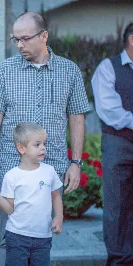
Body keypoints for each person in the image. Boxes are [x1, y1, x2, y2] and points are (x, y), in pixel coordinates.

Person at [0, 12, 90, 266]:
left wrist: (75, 162)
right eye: (16, 40)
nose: (20, 45)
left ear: (44, 36)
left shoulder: (68, 71)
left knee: (40, 238)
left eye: (25, 39)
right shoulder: (6, 69)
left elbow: (77, 118)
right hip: (12, 169)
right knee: (8, 238)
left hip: (51, 170)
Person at [0, 122, 63, 266]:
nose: (43, 148)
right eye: (37, 144)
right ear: (21, 148)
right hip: (17, 237)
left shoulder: (50, 171)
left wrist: (58, 217)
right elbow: (9, 209)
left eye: (44, 144)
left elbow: (56, 195)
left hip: (43, 237)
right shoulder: (12, 176)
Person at [91, 22, 133, 265]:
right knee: (117, 205)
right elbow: (110, 112)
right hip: (119, 144)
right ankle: (118, 260)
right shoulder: (108, 68)